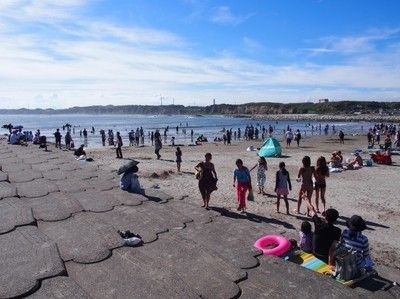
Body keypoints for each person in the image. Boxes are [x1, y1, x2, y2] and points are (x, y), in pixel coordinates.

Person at [305, 199, 341, 266]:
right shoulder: (337, 231)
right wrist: (330, 263)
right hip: (325, 256)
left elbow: (312, 210)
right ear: (335, 220)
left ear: (325, 217)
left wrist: (306, 199)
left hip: (315, 253)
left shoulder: (319, 224)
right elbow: (332, 248)